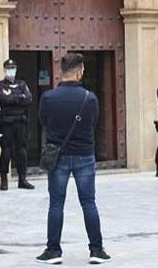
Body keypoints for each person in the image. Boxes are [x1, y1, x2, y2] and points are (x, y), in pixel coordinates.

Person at [36, 52, 110, 264]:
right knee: (88, 203)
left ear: (62, 71)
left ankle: (53, 251)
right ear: (79, 72)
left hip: (57, 156)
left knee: (56, 204)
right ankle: (96, 250)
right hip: (84, 155)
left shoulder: (48, 98)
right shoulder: (90, 98)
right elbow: (93, 122)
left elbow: (43, 121)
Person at [0, 58, 35, 191]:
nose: (11, 71)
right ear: (5, 70)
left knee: (22, 151)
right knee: (6, 151)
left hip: (21, 123)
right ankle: (4, 179)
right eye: (8, 68)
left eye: (13, 68)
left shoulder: (22, 84)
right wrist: (19, 97)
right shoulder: (0, 85)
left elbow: (29, 99)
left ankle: (22, 179)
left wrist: (13, 97)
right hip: (7, 123)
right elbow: (4, 99)